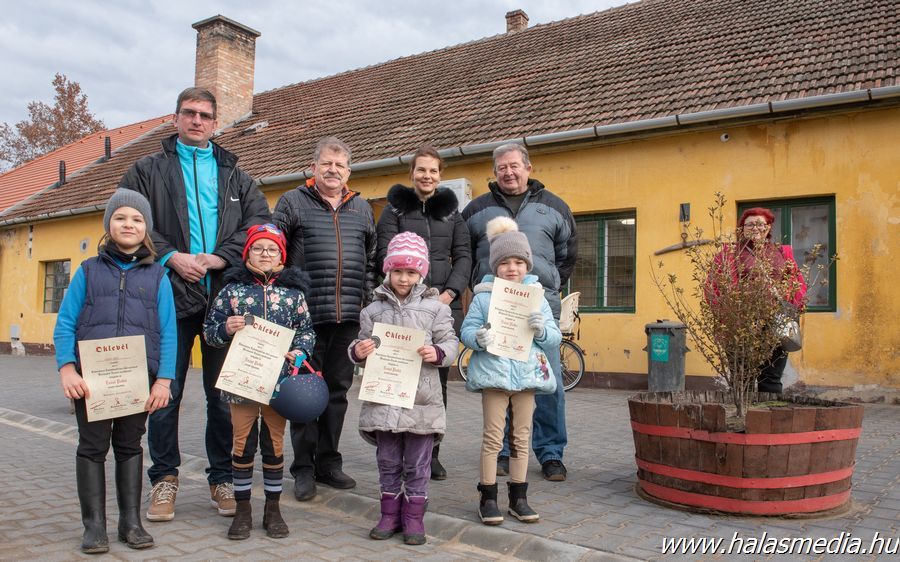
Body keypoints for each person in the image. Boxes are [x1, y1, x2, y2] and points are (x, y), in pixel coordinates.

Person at [118, 87, 271, 522]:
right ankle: (163, 479)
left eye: (205, 115)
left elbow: (259, 223)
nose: (197, 121)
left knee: (222, 395)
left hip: (224, 298)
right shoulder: (147, 170)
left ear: (216, 122)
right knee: (167, 391)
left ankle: (222, 477)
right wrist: (171, 257)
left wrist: (221, 256)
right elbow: (129, 222)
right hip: (167, 295)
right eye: (190, 113)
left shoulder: (235, 173)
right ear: (175, 118)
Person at [54, 190, 177, 553]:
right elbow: (65, 323)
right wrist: (67, 369)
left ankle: (131, 523)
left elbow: (169, 330)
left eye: (137, 219)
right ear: (109, 224)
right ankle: (94, 527)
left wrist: (164, 380)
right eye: (121, 217)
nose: (129, 224)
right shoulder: (88, 271)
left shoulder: (157, 277)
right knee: (92, 448)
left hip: (138, 379)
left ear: (146, 229)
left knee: (129, 446)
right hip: (91, 382)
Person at [462, 142, 576, 482]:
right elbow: (465, 255)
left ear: (528, 167)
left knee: (547, 382)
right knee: (502, 377)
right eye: (501, 168)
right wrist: (485, 290)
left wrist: (547, 287)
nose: (508, 173)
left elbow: (566, 255)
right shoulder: (476, 210)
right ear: (494, 172)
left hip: (539, 311)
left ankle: (551, 452)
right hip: (496, 310)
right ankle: (505, 450)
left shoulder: (554, 207)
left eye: (514, 166)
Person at [272, 136, 377, 501]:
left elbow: (371, 260)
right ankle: (302, 468)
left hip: (347, 316)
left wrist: (364, 301)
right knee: (303, 393)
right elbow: (274, 253)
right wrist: (287, 299)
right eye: (326, 164)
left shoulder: (361, 208)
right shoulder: (292, 202)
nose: (333, 170)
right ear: (313, 167)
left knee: (337, 393)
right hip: (305, 318)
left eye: (340, 165)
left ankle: (329, 463)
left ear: (348, 171)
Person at [203, 223, 316, 540]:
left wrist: (299, 351)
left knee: (273, 445)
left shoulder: (293, 295)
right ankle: (242, 511)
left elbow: (307, 331)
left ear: (281, 255)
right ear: (247, 252)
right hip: (241, 382)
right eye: (258, 248)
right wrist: (225, 327)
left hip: (279, 385)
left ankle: (273, 509)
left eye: (272, 249)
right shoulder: (231, 292)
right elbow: (209, 333)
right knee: (242, 446)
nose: (265, 253)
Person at [351, 232, 459, 545]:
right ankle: (388, 513)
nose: (403, 277)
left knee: (417, 463)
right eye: (397, 270)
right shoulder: (372, 311)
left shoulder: (435, 309)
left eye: (411, 272)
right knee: (387, 460)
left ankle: (413, 517)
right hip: (384, 399)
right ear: (388, 271)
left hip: (420, 402)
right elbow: (359, 343)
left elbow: (450, 342)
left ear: (421, 274)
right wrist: (358, 351)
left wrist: (437, 353)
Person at [375, 145, 471, 480]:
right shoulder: (393, 212)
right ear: (412, 174)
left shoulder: (453, 214)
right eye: (421, 170)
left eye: (433, 171)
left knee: (435, 385)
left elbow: (463, 256)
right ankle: (395, 449)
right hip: (401, 308)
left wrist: (448, 293)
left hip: (440, 309)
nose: (427, 176)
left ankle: (431, 454)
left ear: (440, 175)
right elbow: (384, 258)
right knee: (397, 378)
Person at [460, 217, 561, 525]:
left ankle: (519, 498)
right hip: (494, 376)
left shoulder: (537, 298)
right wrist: (478, 338)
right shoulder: (483, 297)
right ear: (495, 266)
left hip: (526, 378)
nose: (512, 268)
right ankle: (488, 498)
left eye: (519, 262)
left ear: (527, 265)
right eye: (505, 262)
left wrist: (541, 330)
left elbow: (554, 338)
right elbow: (466, 330)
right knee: (493, 437)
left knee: (521, 437)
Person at [714, 208, 808, 393]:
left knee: (771, 378)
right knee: (742, 378)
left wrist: (793, 306)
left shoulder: (781, 251)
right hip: (740, 323)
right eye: (749, 224)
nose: (755, 228)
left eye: (760, 224)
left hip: (776, 322)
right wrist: (729, 315)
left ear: (768, 227)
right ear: (742, 228)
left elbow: (797, 282)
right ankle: (744, 417)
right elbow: (715, 286)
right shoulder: (729, 253)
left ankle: (770, 416)